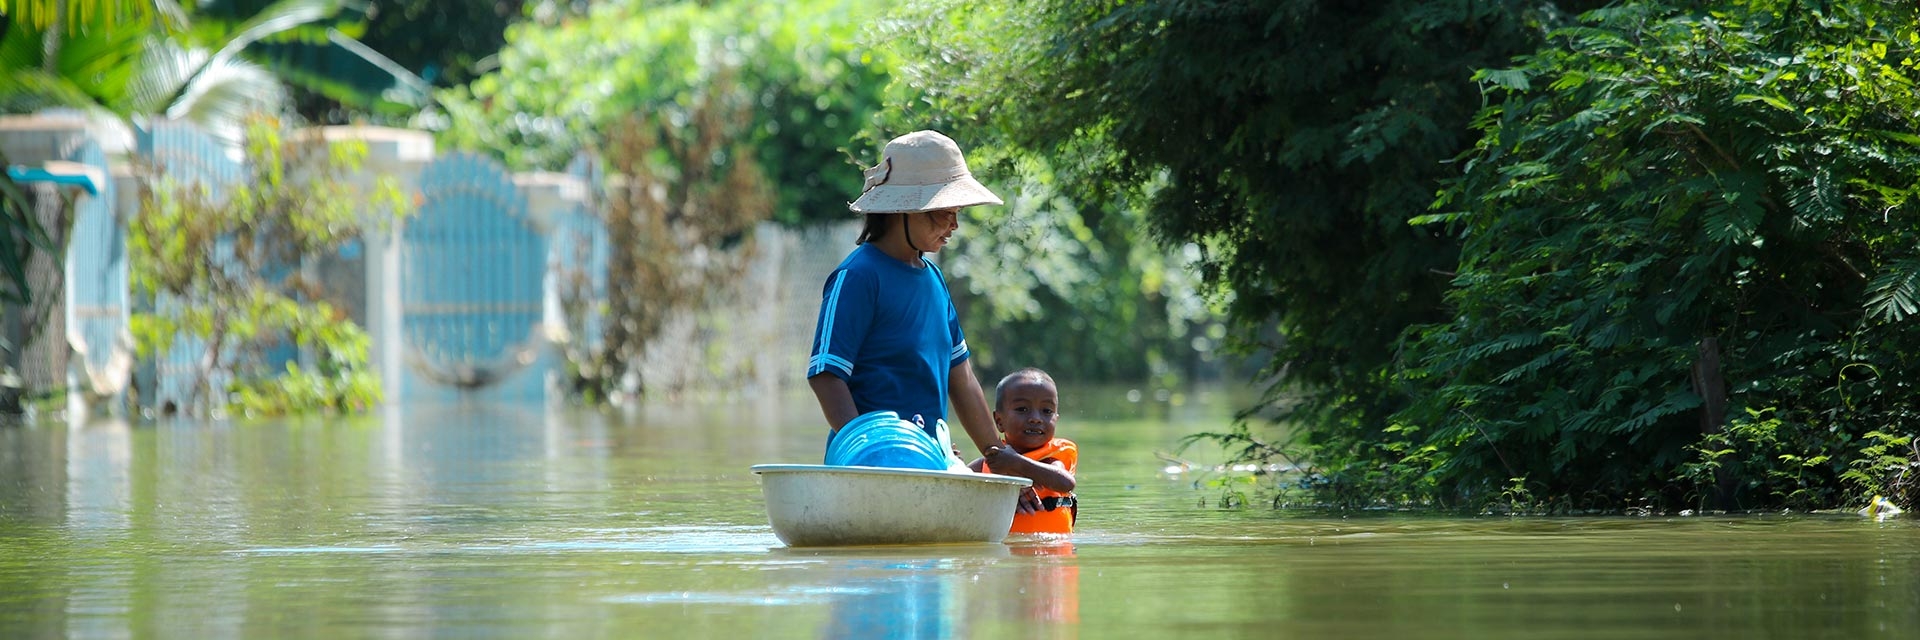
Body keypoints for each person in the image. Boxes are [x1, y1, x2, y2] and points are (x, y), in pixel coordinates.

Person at [805, 130, 1032, 473]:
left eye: (957, 212)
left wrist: (998, 457)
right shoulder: (858, 277)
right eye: (944, 212)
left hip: (929, 458)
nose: (954, 224)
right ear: (905, 209)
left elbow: (963, 379)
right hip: (867, 466)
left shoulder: (933, 279)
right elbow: (826, 375)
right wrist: (868, 452)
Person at [970, 368, 1077, 534]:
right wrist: (952, 463)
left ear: (1056, 419)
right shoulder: (985, 465)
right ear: (999, 421)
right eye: (1022, 409)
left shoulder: (1051, 460)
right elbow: (953, 487)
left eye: (1047, 411)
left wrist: (1016, 463)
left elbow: (1066, 483)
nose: (1036, 418)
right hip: (1005, 555)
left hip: (1053, 554)